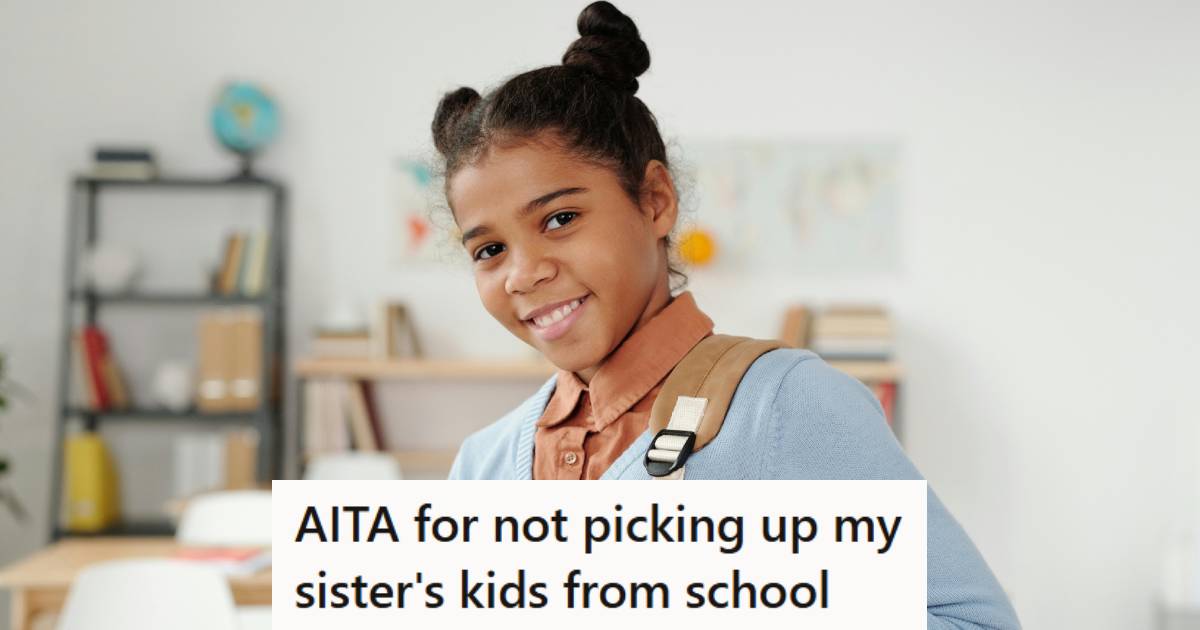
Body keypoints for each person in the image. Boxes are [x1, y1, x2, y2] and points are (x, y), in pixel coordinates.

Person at [431, 2, 1020, 627]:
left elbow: (973, 622)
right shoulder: (483, 463)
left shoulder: (785, 406)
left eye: (560, 219)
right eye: (489, 251)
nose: (524, 273)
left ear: (655, 201)